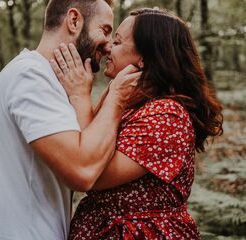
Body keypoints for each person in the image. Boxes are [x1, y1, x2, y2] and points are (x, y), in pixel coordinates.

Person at [0, 0, 142, 239]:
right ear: (74, 21)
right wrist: (116, 97)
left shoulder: (54, 81)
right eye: (104, 30)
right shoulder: (30, 76)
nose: (107, 46)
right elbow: (82, 172)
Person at [51, 8, 223, 239]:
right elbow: (90, 141)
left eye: (119, 42)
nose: (108, 47)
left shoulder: (167, 116)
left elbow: (92, 175)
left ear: (146, 57)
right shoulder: (128, 101)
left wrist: (80, 95)